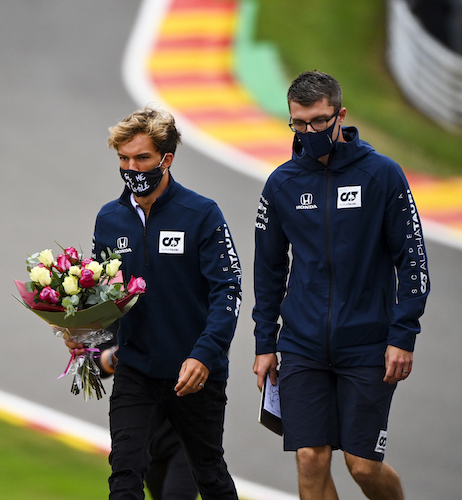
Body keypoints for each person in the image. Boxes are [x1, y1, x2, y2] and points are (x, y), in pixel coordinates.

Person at [252, 71, 430, 500]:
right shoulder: (281, 184)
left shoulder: (383, 176)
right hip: (301, 344)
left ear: (340, 115)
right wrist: (264, 343)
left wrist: (403, 335)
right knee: (310, 458)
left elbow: (414, 261)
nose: (308, 132)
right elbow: (268, 269)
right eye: (298, 123)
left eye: (318, 121)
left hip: (368, 344)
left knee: (363, 465)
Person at [91, 106, 242, 499]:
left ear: (166, 159)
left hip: (194, 375)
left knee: (208, 475)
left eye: (142, 158)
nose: (132, 168)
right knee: (123, 477)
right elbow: (104, 297)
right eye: (124, 159)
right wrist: (91, 338)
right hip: (135, 369)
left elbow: (228, 292)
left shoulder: (203, 214)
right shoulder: (109, 219)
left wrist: (204, 356)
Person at [96, 339, 199, 500]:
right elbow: (97, 361)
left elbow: (216, 337)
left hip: (188, 432)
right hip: (146, 436)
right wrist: (116, 355)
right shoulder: (124, 315)